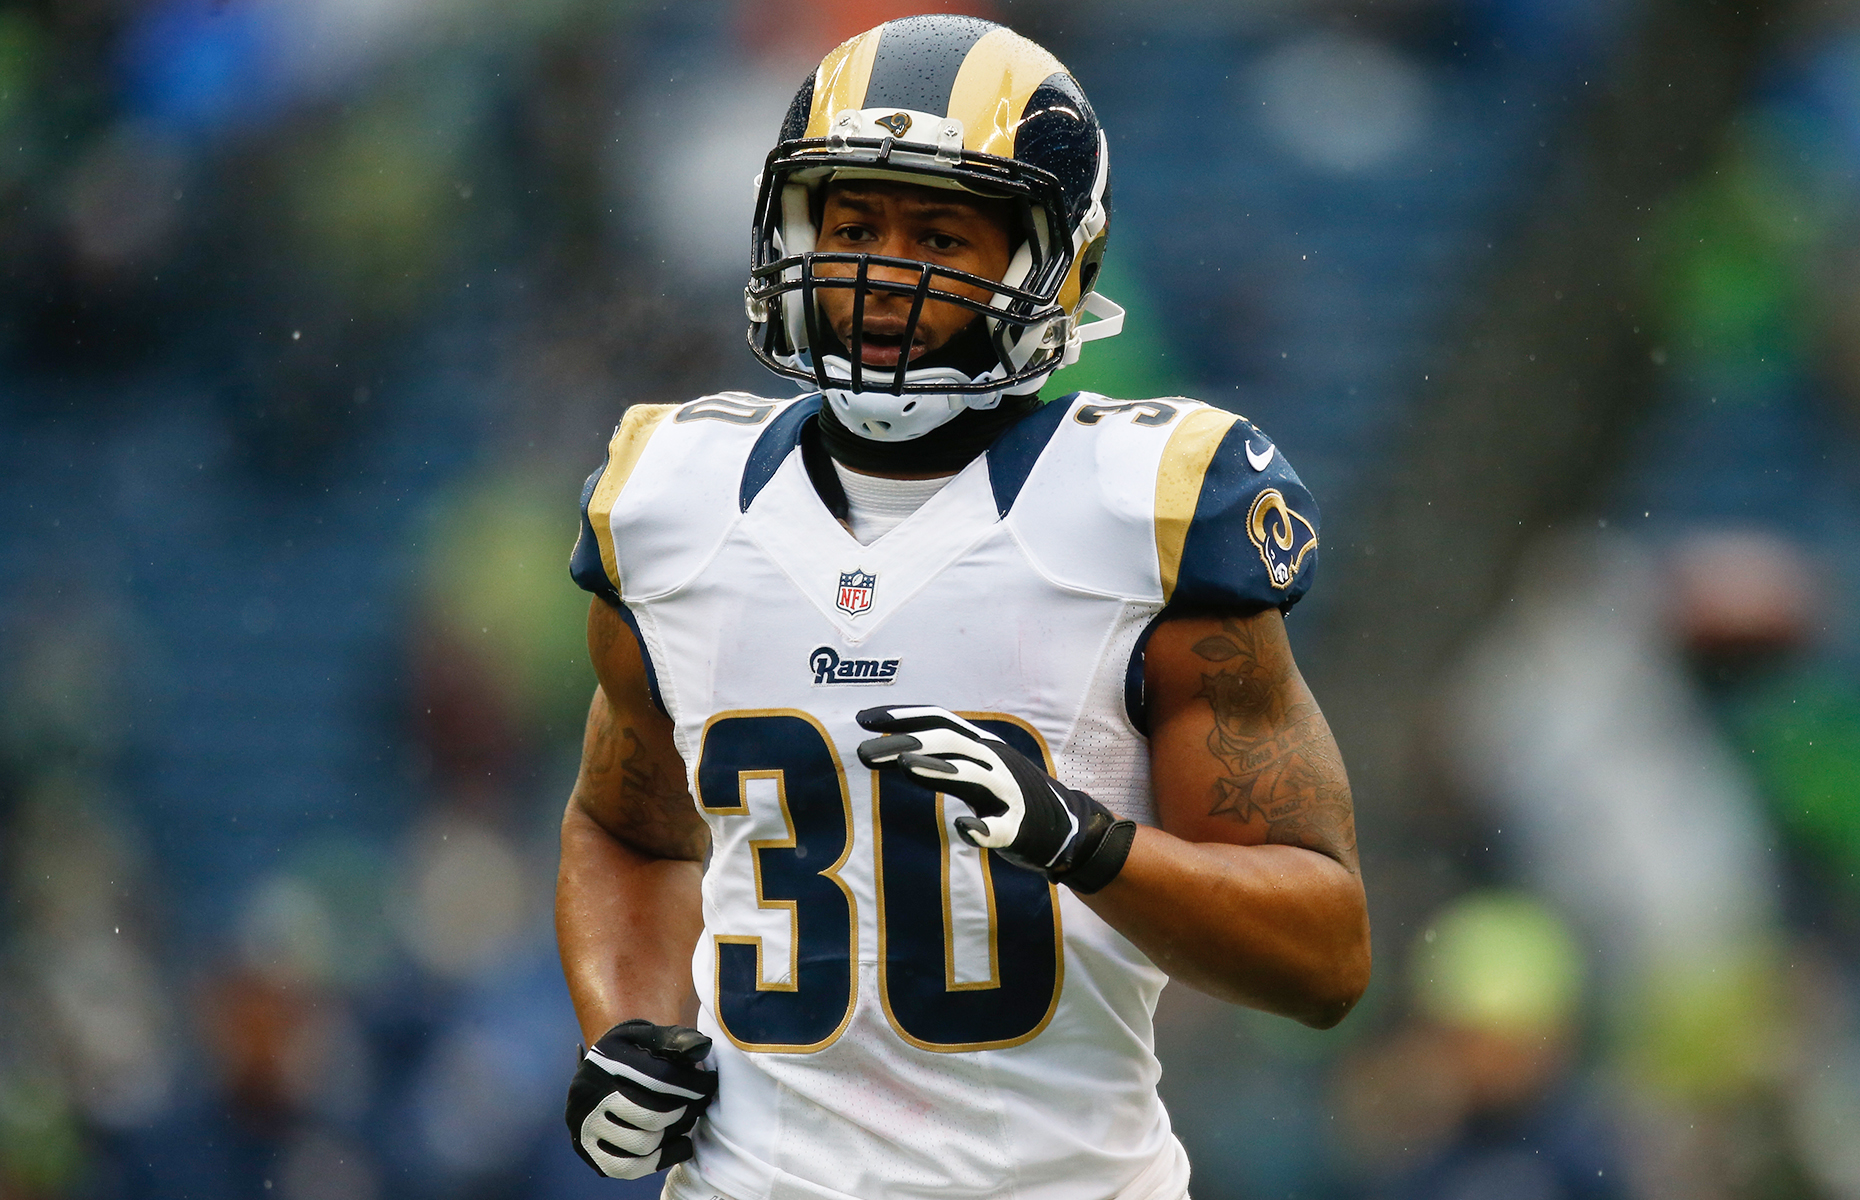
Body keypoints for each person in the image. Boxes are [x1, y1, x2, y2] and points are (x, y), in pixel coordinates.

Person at [557, 15, 1370, 1200]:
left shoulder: (1147, 509)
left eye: (939, 235)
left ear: (1051, 263)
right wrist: (628, 1032)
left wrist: (1082, 844)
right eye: (853, 227)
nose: (883, 273)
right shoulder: (674, 499)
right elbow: (624, 830)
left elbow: (1324, 955)